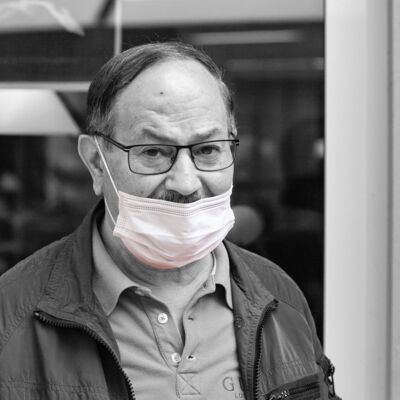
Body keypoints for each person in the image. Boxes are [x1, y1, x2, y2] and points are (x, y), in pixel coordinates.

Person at [0, 42, 340, 400]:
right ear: (97, 163)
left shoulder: (279, 296)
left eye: (207, 150)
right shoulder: (11, 319)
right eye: (153, 152)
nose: (186, 182)